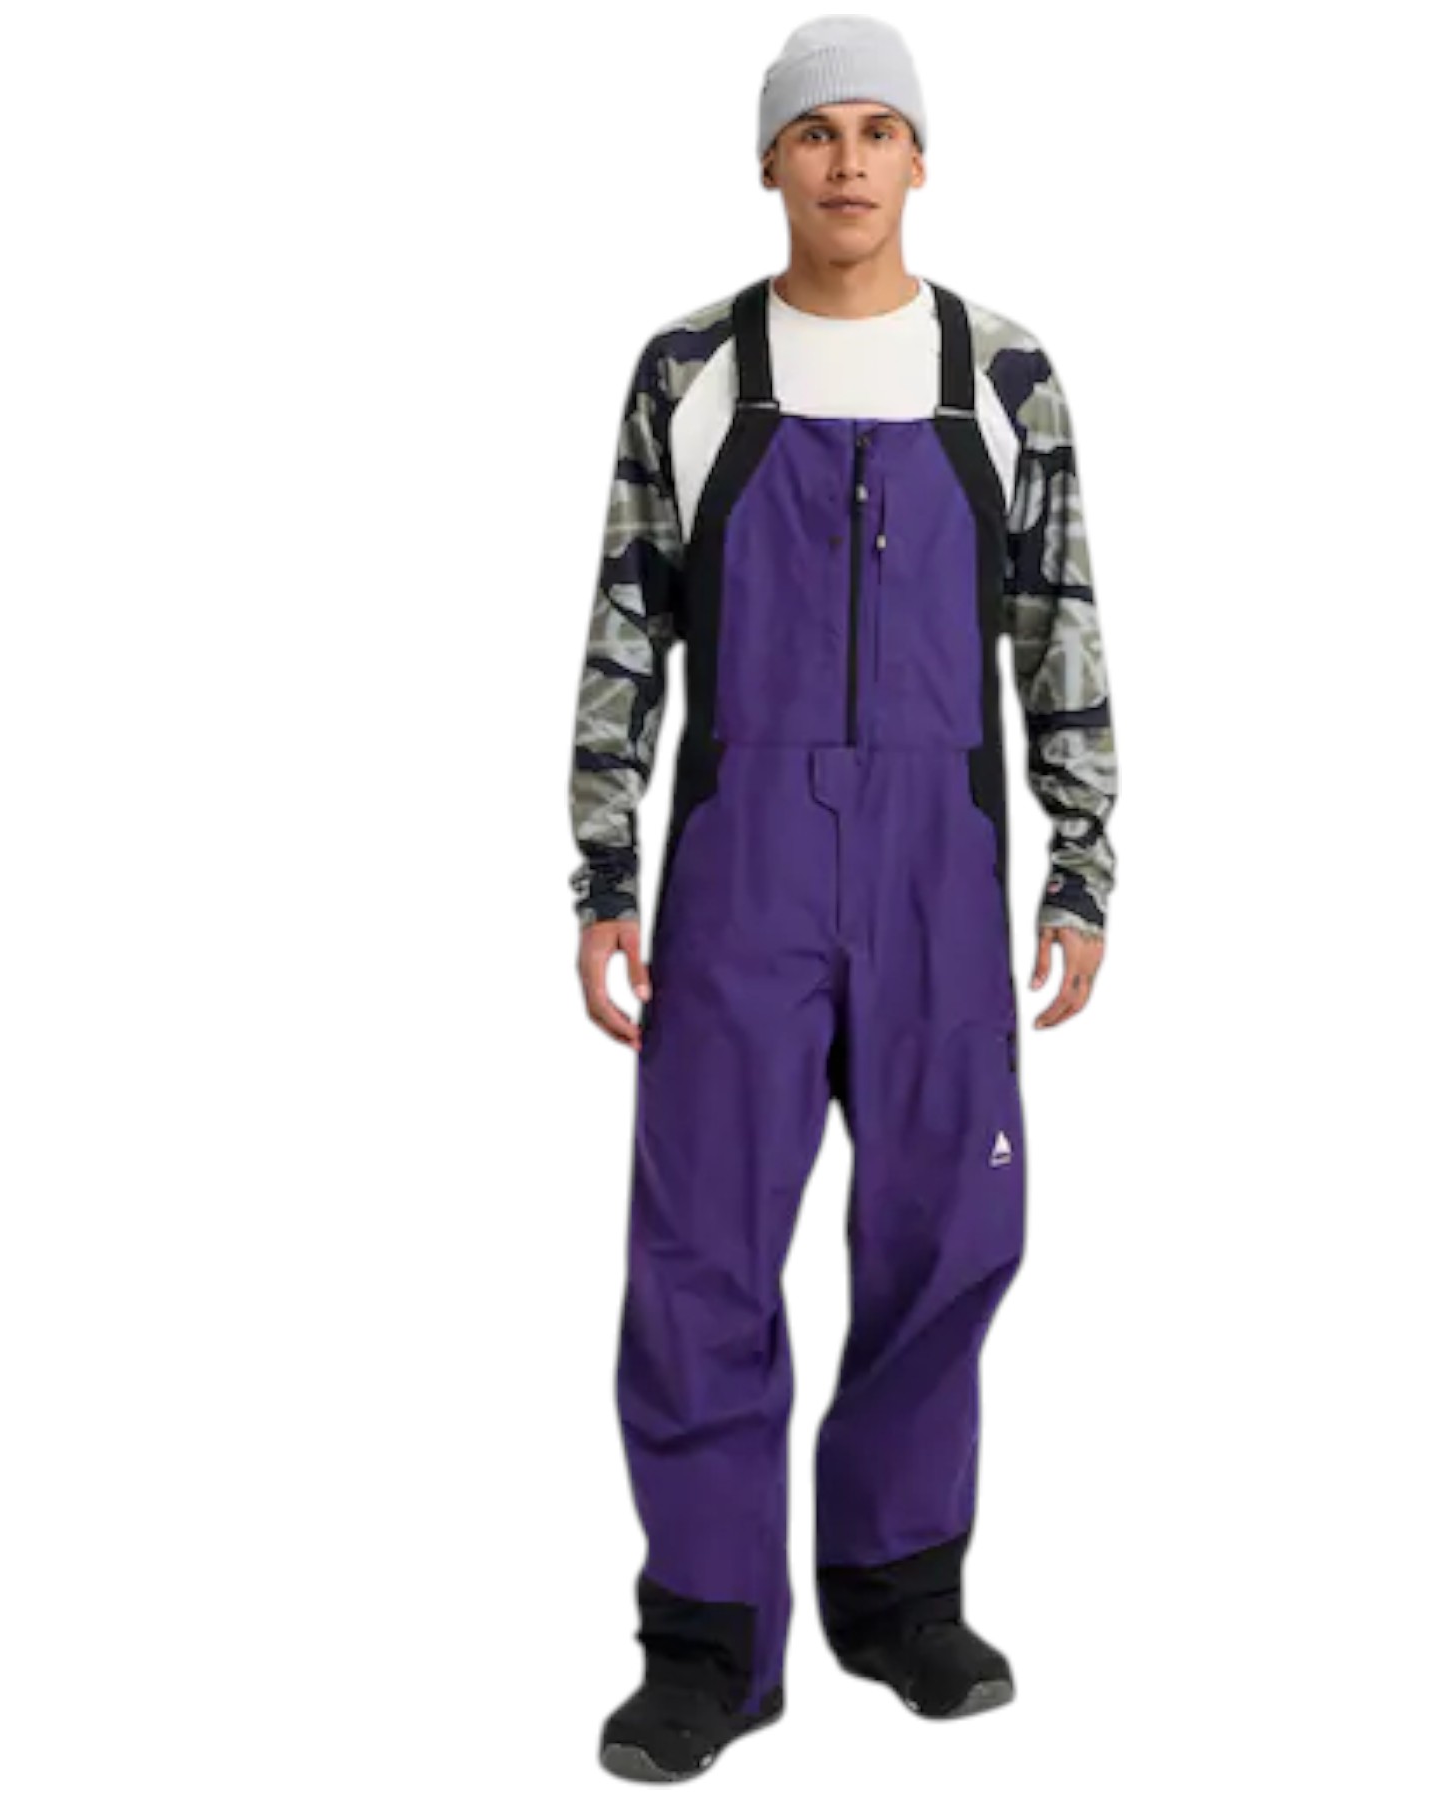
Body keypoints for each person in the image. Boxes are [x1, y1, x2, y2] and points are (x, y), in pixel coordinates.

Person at [568, 14, 1120, 1781]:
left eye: (881, 130)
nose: (851, 160)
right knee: (703, 1252)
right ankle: (706, 1641)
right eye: (818, 133)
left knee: (951, 1231)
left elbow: (1059, 626)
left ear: (922, 161)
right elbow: (626, 624)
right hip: (739, 862)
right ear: (770, 162)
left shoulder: (1004, 373)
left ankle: (898, 1593)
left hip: (939, 863)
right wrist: (601, 867)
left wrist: (1082, 861)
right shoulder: (689, 370)